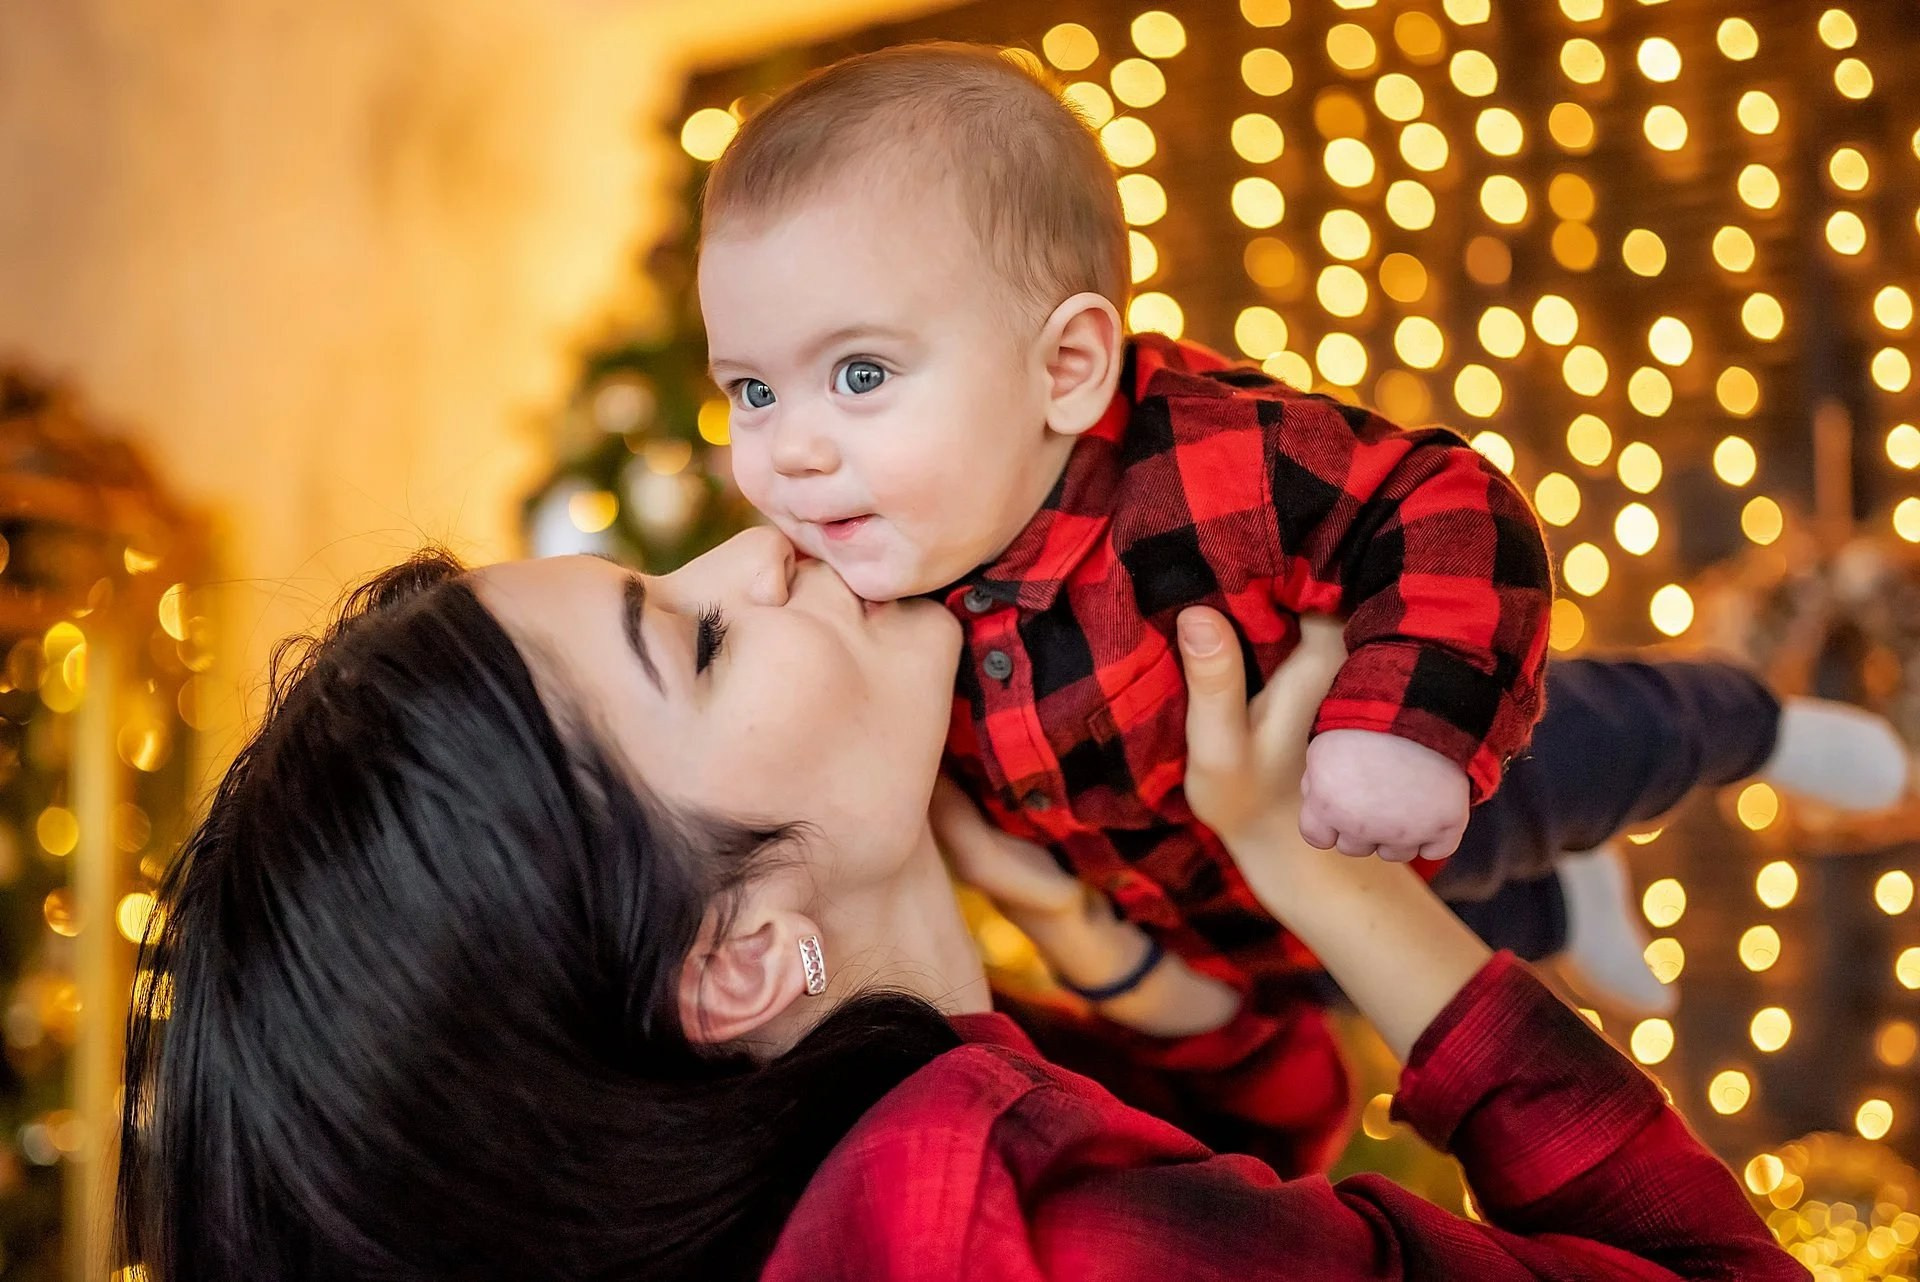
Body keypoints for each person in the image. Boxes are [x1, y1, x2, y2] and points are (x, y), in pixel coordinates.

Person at [115, 530, 1801, 1280]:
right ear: (737, 960)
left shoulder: (886, 1156)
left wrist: (1080, 925)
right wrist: (1314, 868)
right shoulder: (1036, 1246)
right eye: (693, 640)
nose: (754, 545)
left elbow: (1281, 1130)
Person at [695, 41, 1908, 1021]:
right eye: (751, 389)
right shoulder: (858, 580)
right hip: (1248, 917)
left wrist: (1402, 725)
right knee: (1462, 942)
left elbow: (1442, 499)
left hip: (1421, 746)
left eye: (858, 373)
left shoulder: (1204, 456)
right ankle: (1571, 908)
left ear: (1065, 367)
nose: (788, 450)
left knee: (1617, 745)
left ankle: (1762, 724)